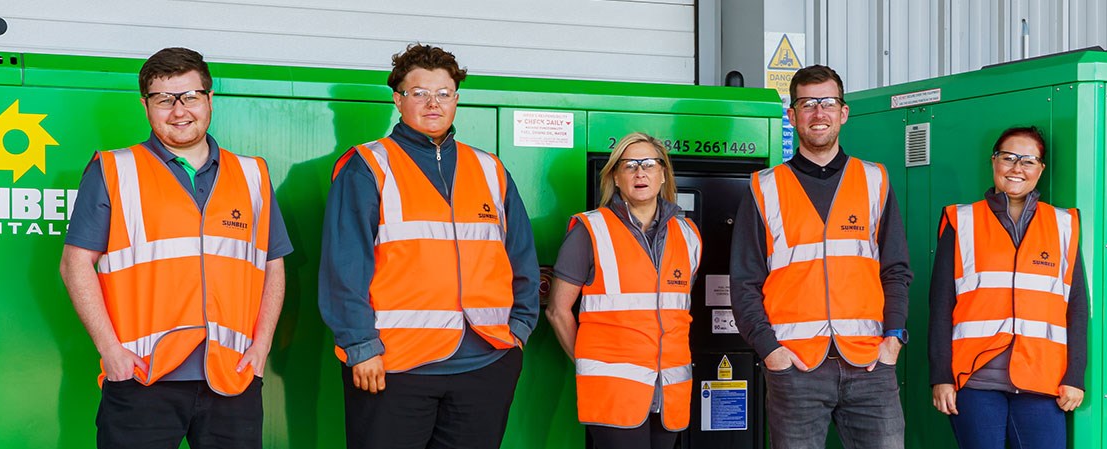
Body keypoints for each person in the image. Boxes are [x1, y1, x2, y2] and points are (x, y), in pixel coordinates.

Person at [59, 47, 291, 449]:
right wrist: (110, 351)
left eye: (190, 96)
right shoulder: (114, 169)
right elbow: (74, 265)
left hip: (231, 378)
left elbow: (272, 264)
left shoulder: (253, 175)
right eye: (164, 99)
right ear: (146, 105)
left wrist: (262, 345)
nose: (179, 110)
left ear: (209, 98)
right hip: (142, 377)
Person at [319, 42, 541, 449]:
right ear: (398, 100)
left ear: (456, 99)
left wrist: (520, 330)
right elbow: (343, 267)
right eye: (419, 93)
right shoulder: (367, 166)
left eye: (443, 94)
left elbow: (521, 256)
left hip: (487, 362)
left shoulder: (490, 169)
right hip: (394, 366)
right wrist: (360, 346)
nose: (432, 104)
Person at [728, 65, 910, 449]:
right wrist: (770, 351)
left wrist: (893, 339)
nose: (818, 112)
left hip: (870, 365)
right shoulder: (765, 188)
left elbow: (896, 270)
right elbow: (744, 282)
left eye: (828, 102)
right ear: (791, 116)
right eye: (807, 104)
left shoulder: (875, 179)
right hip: (795, 367)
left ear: (843, 113)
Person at [927, 127, 1087, 449]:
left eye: (1028, 161)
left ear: (1041, 169)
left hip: (1041, 380)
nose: (1017, 168)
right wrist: (941, 376)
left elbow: (1077, 307)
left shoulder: (1063, 224)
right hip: (974, 382)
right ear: (994, 162)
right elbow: (940, 305)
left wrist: (1075, 377)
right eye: (1008, 158)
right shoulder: (962, 220)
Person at [546, 133, 700, 449]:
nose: (639, 172)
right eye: (629, 165)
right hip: (612, 394)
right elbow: (557, 311)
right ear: (616, 177)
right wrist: (590, 366)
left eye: (648, 164)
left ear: (663, 174)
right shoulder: (590, 230)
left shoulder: (688, 235)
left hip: (670, 393)